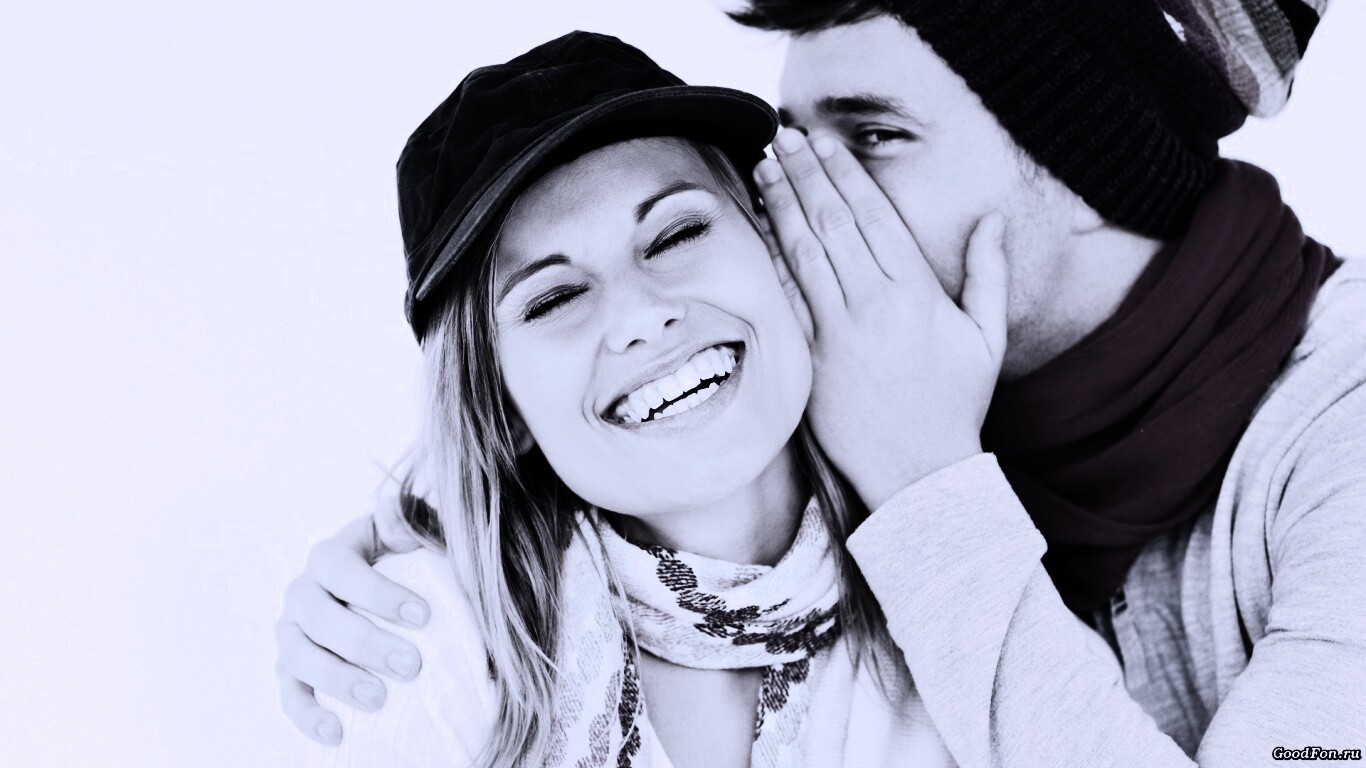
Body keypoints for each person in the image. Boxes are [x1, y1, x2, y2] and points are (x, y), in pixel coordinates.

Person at [281, 1, 1366, 765]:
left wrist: (926, 486)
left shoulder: (1340, 431)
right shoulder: (874, 386)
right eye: (791, 150)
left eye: (875, 138)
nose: (797, 202)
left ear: (1085, 163)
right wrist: (402, 563)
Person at [297, 30, 1007, 767]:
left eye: (677, 234)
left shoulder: (971, 559)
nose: (641, 315)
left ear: (778, 255)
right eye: (555, 298)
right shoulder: (413, 647)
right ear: (501, 404)